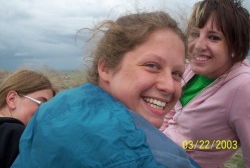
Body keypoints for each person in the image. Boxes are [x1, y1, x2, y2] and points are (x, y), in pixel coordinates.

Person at [11, 11, 200, 168]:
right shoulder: (142, 155)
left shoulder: (56, 109)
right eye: (152, 65)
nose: (169, 85)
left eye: (177, 73)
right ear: (106, 68)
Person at [160, 0, 250, 168]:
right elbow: (170, 112)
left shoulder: (243, 88)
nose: (198, 46)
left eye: (213, 37)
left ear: (235, 46)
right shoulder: (190, 69)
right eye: (195, 34)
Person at [0, 69, 56, 168]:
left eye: (48, 107)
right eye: (41, 104)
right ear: (12, 99)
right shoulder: (16, 134)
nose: (45, 112)